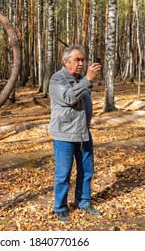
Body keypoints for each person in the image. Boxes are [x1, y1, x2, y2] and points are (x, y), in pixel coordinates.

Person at [48, 44, 102, 222]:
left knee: (86, 171)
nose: (80, 63)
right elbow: (68, 99)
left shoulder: (80, 79)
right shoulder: (57, 80)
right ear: (66, 62)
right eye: (77, 60)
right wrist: (88, 79)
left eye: (82, 60)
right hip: (64, 134)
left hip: (83, 133)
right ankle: (60, 207)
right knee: (63, 174)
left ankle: (84, 202)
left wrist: (85, 80)